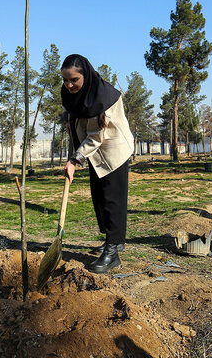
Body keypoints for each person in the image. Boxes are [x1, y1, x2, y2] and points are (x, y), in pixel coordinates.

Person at [61, 54, 134, 273]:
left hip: (113, 151)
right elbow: (74, 112)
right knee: (99, 198)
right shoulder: (72, 92)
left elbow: (95, 137)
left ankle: (112, 253)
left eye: (74, 80)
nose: (69, 85)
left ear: (86, 75)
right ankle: (115, 239)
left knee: (113, 200)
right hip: (94, 153)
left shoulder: (101, 97)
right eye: (65, 80)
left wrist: (74, 160)